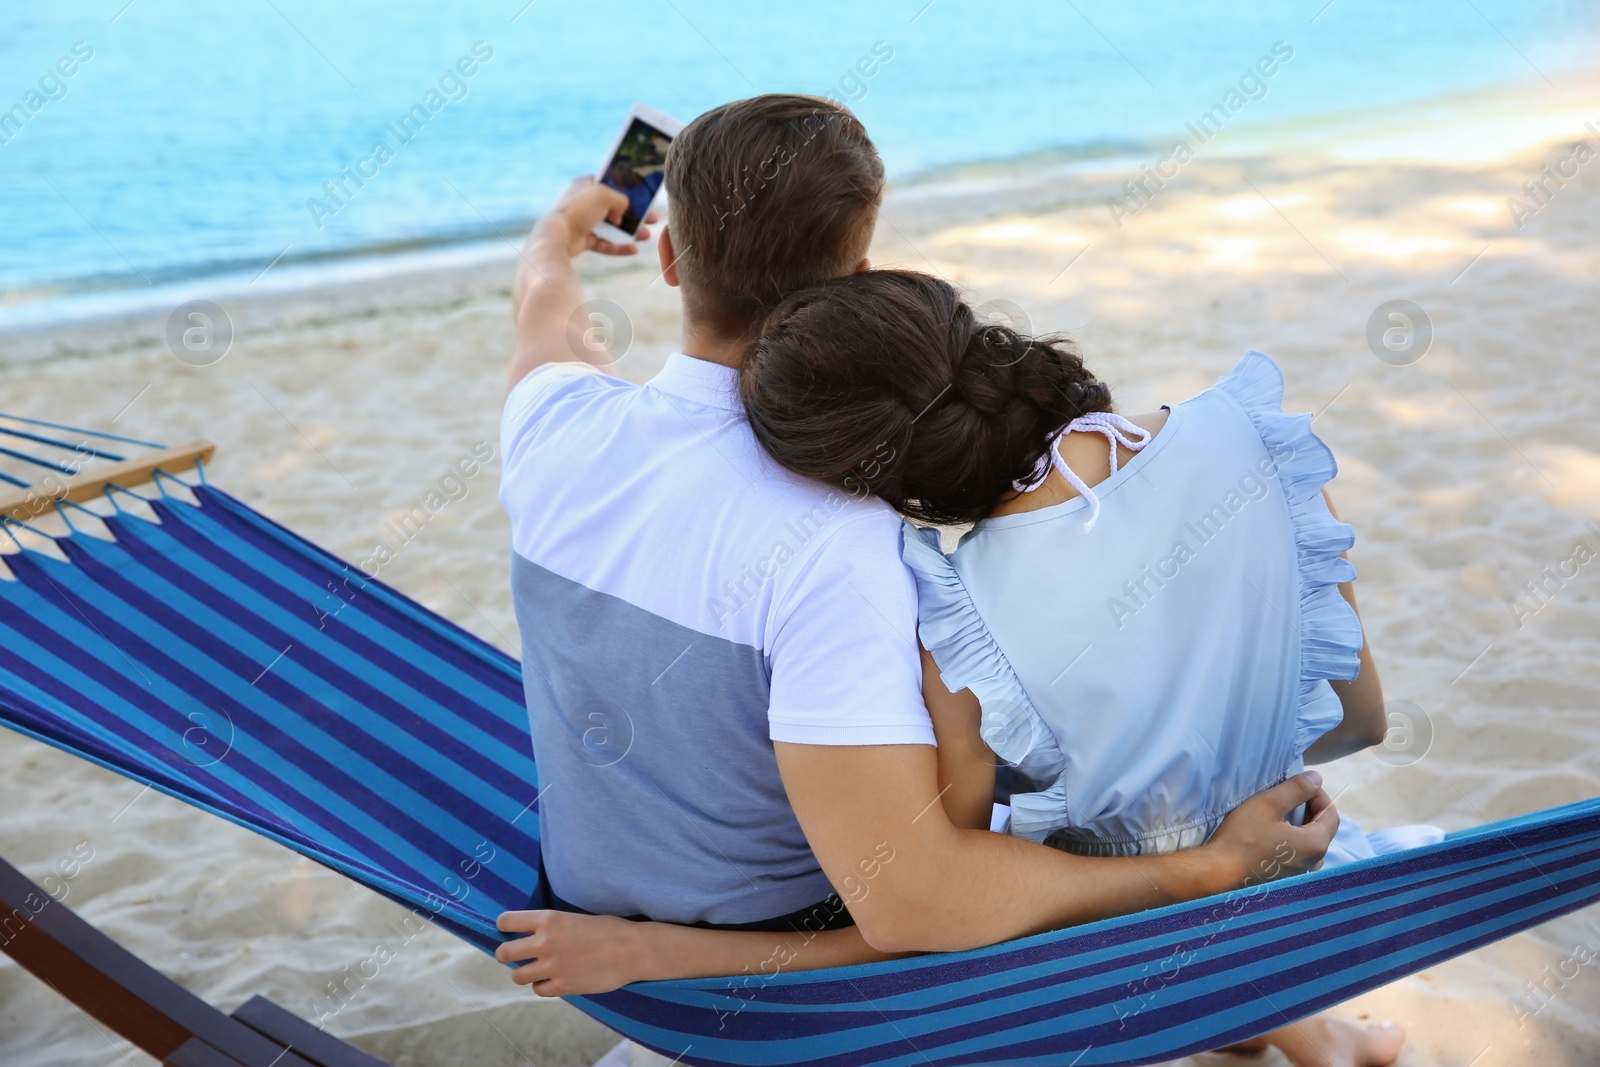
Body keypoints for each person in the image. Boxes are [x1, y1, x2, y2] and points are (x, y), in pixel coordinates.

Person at [495, 95, 1345, 1057]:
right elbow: (916, 901)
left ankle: (1294, 1027)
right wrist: (1209, 866)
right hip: (763, 955)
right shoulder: (841, 544)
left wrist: (565, 224)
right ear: (857, 281)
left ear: (670, 260)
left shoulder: (550, 419)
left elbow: (541, 298)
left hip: (579, 884)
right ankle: (1274, 1008)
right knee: (1070, 770)